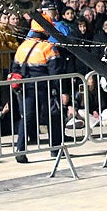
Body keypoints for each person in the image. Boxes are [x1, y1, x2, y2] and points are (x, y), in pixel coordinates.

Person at [11, 17, 64, 163]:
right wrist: (59, 90)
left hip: (26, 87)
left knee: (26, 118)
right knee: (53, 117)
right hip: (45, 87)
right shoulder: (48, 47)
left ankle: (20, 150)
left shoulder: (23, 46)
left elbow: (15, 68)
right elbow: (55, 71)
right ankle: (55, 149)